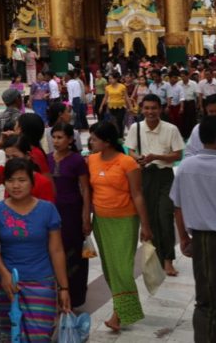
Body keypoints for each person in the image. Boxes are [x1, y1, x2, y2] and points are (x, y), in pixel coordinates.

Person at [0, 158, 70, 342]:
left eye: (22, 180)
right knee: (10, 335)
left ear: (32, 181)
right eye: (10, 180)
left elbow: (56, 250)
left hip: (42, 283)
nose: (16, 185)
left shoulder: (48, 210)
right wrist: (4, 274)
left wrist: (63, 288)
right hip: (9, 285)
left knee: (40, 336)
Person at [169, 115, 216, 342]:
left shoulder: (186, 166)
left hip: (201, 240)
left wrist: (184, 237)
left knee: (207, 295)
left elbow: (177, 205)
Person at [87, 121, 152, 332]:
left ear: (107, 142)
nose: (91, 142)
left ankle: (121, 312)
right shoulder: (91, 160)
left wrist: (146, 225)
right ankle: (119, 310)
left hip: (125, 220)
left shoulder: (127, 163)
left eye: (95, 139)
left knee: (123, 269)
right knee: (110, 268)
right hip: (101, 222)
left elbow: (138, 194)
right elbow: (88, 191)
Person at [125, 93, 183, 277]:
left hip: (165, 176)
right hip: (145, 175)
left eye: (154, 108)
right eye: (147, 108)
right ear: (142, 109)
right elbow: (131, 151)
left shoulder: (171, 129)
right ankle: (157, 256)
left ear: (160, 109)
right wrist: (138, 158)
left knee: (165, 216)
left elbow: (178, 155)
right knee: (149, 218)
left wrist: (157, 157)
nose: (150, 112)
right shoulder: (136, 127)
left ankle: (168, 260)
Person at [47, 122, 90, 308]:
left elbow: (86, 189)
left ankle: (74, 296)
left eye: (60, 137)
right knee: (52, 252)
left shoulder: (77, 160)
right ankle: (55, 294)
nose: (56, 141)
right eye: (54, 137)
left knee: (73, 254)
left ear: (70, 140)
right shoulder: (47, 159)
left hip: (71, 213)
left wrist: (86, 217)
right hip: (51, 213)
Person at [0, 134, 56, 203]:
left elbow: (47, 214)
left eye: (15, 156)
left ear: (27, 155)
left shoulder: (43, 183)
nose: (10, 160)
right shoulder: (5, 173)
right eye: (7, 157)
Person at [184, 93, 216, 157]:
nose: (214, 115)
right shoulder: (198, 128)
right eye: (211, 112)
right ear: (206, 110)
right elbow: (189, 152)